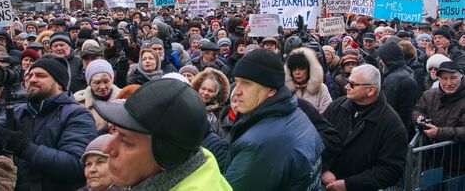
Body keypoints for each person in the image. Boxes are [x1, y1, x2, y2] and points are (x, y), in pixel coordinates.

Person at [0, 57, 97, 191]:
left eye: (40, 75)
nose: (32, 79)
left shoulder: (77, 114)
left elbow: (76, 166)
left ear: (59, 84)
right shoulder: (17, 111)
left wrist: (25, 148)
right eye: (29, 76)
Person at [94, 78, 231, 190]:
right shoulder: (197, 165)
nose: (106, 148)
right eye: (116, 132)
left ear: (167, 155)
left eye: (127, 142)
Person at [220, 48, 324, 190]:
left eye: (246, 83)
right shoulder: (295, 113)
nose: (236, 91)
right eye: (237, 81)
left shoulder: (261, 144)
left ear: (271, 91)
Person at [323, 64, 408, 191]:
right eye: (347, 82)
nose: (346, 87)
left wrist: (349, 184)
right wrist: (323, 170)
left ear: (371, 90)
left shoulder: (392, 124)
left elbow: (390, 170)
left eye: (352, 84)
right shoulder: (336, 107)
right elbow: (319, 140)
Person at [412, 61, 465, 188]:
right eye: (444, 78)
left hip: (458, 167)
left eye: (453, 78)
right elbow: (417, 109)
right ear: (438, 78)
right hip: (431, 162)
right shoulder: (429, 94)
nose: (449, 83)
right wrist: (419, 118)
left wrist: (439, 133)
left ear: (462, 77)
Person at [378, 40, 419, 132]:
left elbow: (387, 108)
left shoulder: (394, 79)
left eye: (382, 58)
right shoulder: (408, 71)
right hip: (404, 125)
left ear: (387, 59)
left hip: (393, 129)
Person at [74, 59, 119, 129]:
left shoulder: (124, 99)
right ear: (89, 83)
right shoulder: (79, 104)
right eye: (97, 83)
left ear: (112, 80)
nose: (102, 87)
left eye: (106, 82)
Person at [285, 47, 332, 114]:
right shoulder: (286, 90)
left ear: (310, 70)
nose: (297, 72)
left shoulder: (321, 88)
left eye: (301, 69)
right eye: (294, 69)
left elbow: (326, 112)